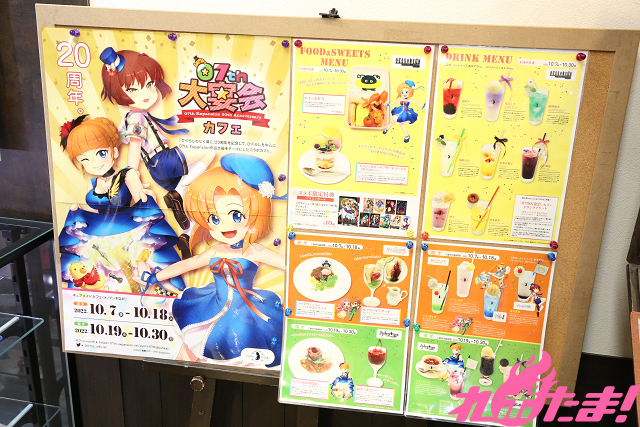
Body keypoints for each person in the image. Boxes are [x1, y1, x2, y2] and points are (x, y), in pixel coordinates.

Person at [135, 153, 286, 367]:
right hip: (211, 304)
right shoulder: (215, 251)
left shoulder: (255, 251)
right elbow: (188, 264)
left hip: (244, 313)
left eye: (236, 215)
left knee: (243, 347)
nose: (225, 226)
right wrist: (155, 277)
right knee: (193, 343)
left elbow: (289, 265)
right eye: (214, 219)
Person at [100, 47, 216, 257]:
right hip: (161, 160)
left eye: (149, 85)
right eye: (133, 90)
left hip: (158, 172)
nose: (146, 93)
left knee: (192, 199)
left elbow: (122, 136)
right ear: (120, 93)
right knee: (209, 150)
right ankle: (178, 193)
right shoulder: (137, 117)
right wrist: (132, 173)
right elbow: (135, 145)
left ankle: (186, 236)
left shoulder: (130, 118)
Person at [58, 115, 185, 295]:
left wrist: (146, 195)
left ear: (115, 152)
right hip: (101, 235)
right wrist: (79, 216)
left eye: (101, 153)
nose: (94, 163)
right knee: (106, 276)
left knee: (138, 271)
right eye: (84, 159)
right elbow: (93, 213)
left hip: (130, 231)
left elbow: (141, 201)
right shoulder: (92, 183)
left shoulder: (127, 174)